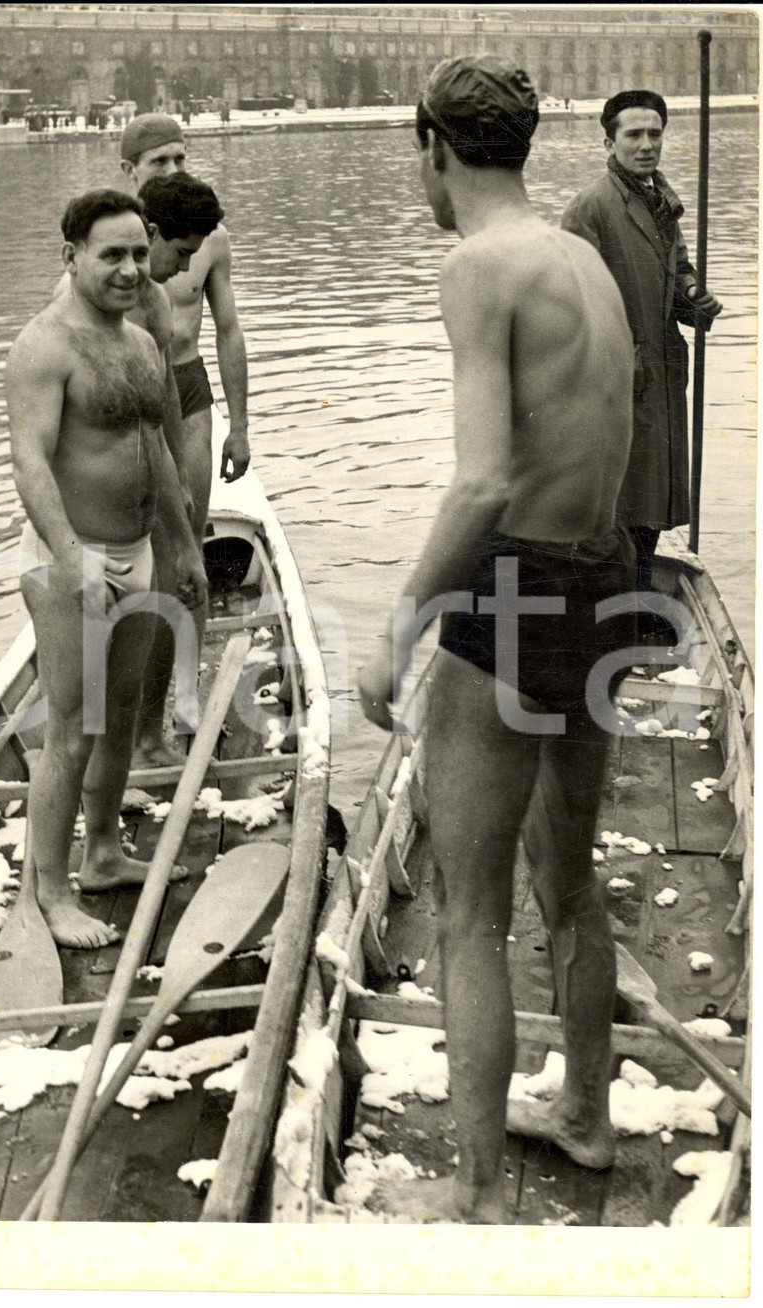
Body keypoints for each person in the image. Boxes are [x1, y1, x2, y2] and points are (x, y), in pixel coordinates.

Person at [357, 55, 638, 1224]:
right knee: (568, 885)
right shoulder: (581, 254)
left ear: (432, 146)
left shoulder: (478, 264)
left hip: (517, 583)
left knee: (471, 911)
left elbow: (479, 484)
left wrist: (399, 625)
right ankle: (584, 1115)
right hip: (605, 575)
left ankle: (474, 1194)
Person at [7, 189, 207, 948]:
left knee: (119, 716)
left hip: (139, 550)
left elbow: (152, 449)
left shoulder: (140, 343)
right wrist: (69, 559)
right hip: (71, 556)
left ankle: (100, 856)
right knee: (72, 730)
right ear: (72, 258)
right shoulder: (44, 346)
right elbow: (30, 463)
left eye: (136, 253)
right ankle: (50, 892)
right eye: (110, 255)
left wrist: (184, 545)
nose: (129, 270)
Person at [119, 113, 251, 754]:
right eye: (158, 163)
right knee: (141, 550)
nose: (173, 171)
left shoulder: (209, 235)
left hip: (188, 389)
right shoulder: (108, 241)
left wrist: (242, 424)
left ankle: (187, 695)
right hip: (131, 405)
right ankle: (133, 707)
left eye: (180, 158)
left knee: (187, 538)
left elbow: (227, 329)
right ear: (130, 173)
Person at [562, 90, 722, 601]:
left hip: (661, 369)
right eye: (634, 134)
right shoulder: (591, 208)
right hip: (615, 380)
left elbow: (676, 273)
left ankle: (633, 607)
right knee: (615, 505)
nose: (647, 144)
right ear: (608, 141)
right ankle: (610, 613)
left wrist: (693, 295)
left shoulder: (663, 201)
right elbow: (568, 306)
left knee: (651, 504)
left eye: (655, 133)